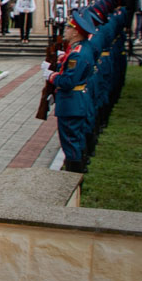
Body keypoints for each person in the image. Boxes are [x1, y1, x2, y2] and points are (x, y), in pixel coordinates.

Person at [45, 10, 98, 172]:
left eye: (68, 27)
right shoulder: (82, 48)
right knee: (76, 139)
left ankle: (73, 177)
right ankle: (78, 168)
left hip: (71, 103)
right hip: (77, 100)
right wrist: (62, 62)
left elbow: (68, 81)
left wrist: (51, 75)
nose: (65, 30)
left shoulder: (77, 55)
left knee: (70, 142)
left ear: (76, 32)